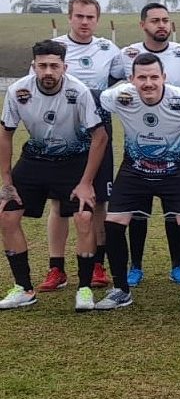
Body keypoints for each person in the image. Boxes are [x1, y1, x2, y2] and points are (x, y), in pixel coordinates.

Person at [96, 53, 180, 311]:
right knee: (113, 225)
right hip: (134, 171)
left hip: (177, 170)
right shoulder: (120, 96)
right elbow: (101, 98)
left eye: (153, 77)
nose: (148, 83)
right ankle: (120, 290)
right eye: (142, 78)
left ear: (164, 78)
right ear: (131, 79)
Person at [0, 40, 107, 311]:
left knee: (84, 216)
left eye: (54, 66)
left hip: (73, 161)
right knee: (7, 214)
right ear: (33, 66)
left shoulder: (79, 92)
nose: (48, 71)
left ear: (64, 67)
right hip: (35, 159)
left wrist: (85, 183)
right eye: (42, 65)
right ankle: (24, 288)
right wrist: (7, 182)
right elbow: (5, 133)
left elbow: (100, 136)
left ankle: (84, 289)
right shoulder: (17, 90)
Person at [39, 0, 121, 294]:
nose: (84, 22)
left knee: (98, 200)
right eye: (79, 16)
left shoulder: (108, 49)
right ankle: (56, 268)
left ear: (97, 20)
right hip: (62, 133)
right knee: (60, 203)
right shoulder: (54, 50)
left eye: (90, 17)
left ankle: (97, 265)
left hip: (98, 131)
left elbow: (124, 85)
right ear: (69, 17)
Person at [120, 3, 180, 288]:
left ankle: (178, 265)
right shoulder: (127, 55)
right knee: (137, 213)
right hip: (139, 148)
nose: (162, 25)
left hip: (175, 150)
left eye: (166, 20)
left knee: (175, 213)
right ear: (143, 24)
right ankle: (135, 266)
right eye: (155, 20)